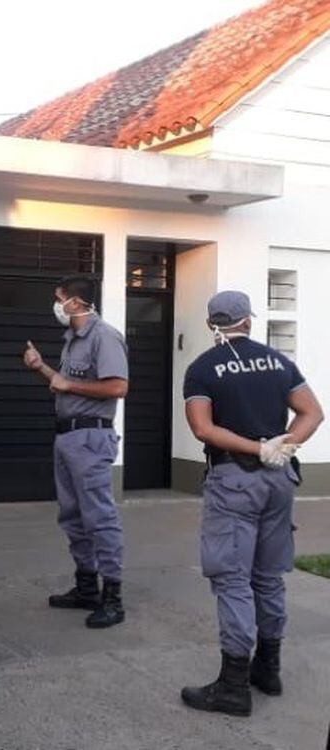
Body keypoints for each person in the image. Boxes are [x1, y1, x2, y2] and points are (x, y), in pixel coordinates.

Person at [180, 290, 323, 717]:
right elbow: (312, 413)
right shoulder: (278, 362)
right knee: (268, 576)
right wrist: (281, 447)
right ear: (249, 320)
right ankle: (268, 668)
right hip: (278, 481)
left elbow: (202, 428)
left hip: (234, 480)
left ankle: (233, 685)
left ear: (211, 323)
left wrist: (254, 448)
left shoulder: (203, 368)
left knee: (231, 578)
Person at [23, 275, 129, 629]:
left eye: (59, 298)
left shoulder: (104, 336)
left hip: (90, 438)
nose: (56, 304)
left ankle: (112, 596)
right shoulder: (71, 340)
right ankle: (87, 587)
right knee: (72, 515)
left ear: (77, 302)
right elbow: (66, 388)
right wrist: (41, 368)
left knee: (99, 516)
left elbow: (118, 386)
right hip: (67, 438)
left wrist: (68, 383)